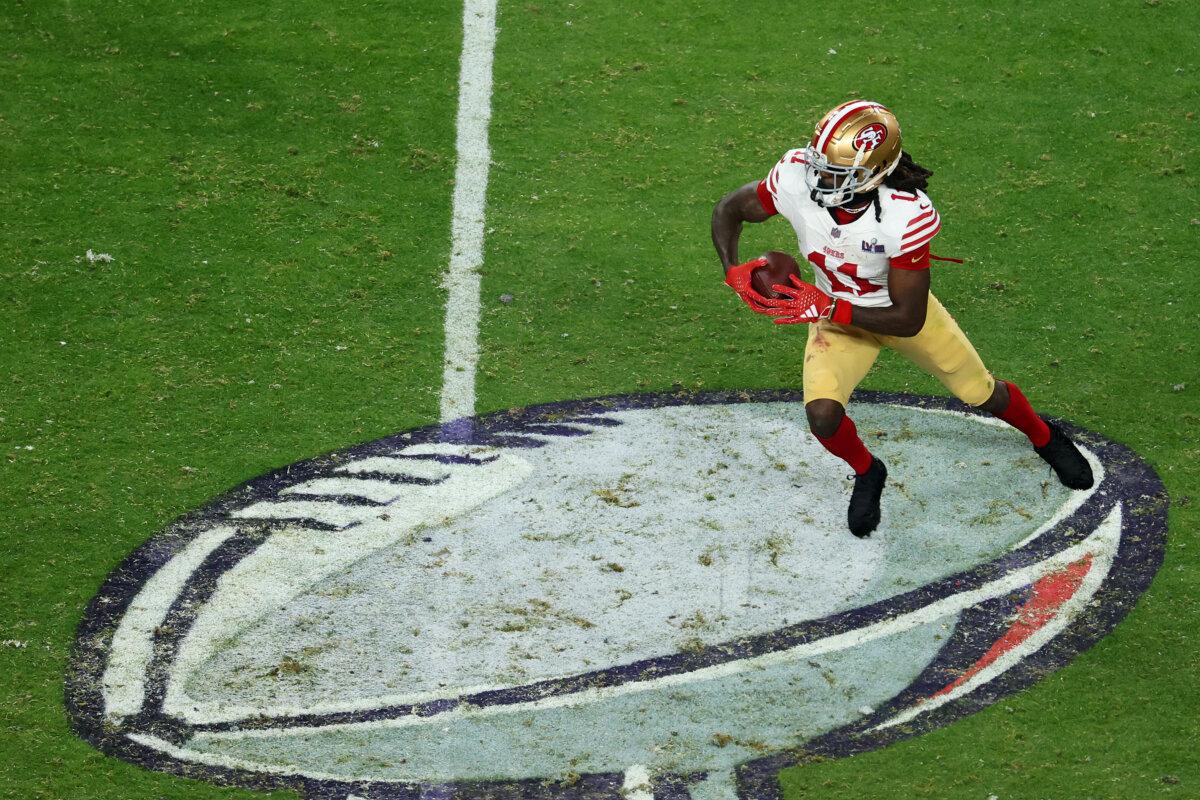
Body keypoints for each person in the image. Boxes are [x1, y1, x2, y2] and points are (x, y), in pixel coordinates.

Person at [710, 99, 1093, 537]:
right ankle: (868, 470)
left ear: (874, 172)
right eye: (820, 166)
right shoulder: (797, 176)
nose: (819, 179)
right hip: (833, 312)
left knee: (980, 392)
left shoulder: (903, 215)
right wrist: (733, 273)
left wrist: (827, 306)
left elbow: (908, 318)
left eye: (837, 173)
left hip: (889, 313)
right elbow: (728, 210)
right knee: (822, 416)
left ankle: (1044, 435)